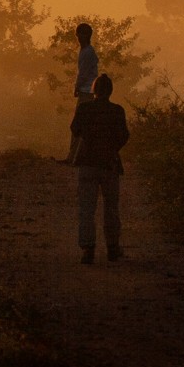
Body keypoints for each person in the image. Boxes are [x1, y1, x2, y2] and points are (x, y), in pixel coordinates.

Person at [70, 73, 129, 264]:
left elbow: (75, 129)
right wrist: (112, 148)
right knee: (111, 208)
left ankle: (88, 249)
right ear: (110, 91)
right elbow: (124, 136)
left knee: (87, 208)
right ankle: (112, 248)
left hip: (87, 162)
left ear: (94, 90)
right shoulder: (117, 111)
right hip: (109, 163)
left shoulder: (85, 108)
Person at [61, 22, 99, 163]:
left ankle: (73, 158)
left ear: (86, 35)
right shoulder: (87, 51)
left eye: (80, 34)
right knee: (83, 126)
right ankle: (76, 157)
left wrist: (77, 87)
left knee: (78, 125)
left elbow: (83, 73)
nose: (78, 37)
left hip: (86, 92)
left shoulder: (87, 52)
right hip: (89, 91)